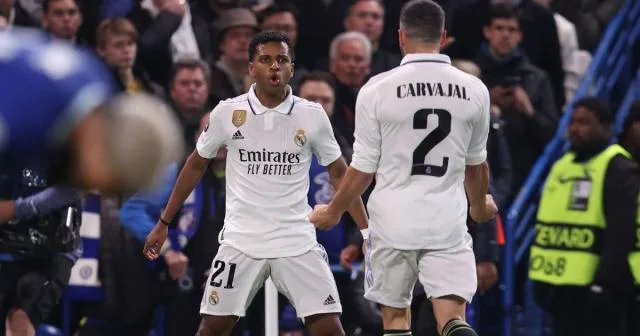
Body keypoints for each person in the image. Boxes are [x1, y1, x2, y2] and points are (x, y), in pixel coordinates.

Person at [143, 31, 369, 336]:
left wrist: (366, 232)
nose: (274, 66)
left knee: (329, 328)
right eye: (265, 59)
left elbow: (341, 175)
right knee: (213, 328)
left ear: (291, 67)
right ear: (251, 67)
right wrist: (163, 221)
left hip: (296, 241)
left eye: (281, 60)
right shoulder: (228, 112)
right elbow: (196, 163)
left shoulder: (312, 116)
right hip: (241, 242)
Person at [308, 1, 498, 336]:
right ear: (442, 36)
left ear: (399, 37)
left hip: (392, 222)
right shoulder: (474, 89)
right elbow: (476, 165)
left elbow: (361, 170)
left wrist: (334, 211)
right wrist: (480, 205)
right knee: (453, 317)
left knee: (396, 320)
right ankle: (455, 327)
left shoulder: (377, 89)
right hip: (446, 220)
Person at [0, 27, 184, 194]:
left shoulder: (93, 77)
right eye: (115, 184)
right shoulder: (20, 119)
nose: (100, 190)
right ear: (106, 155)